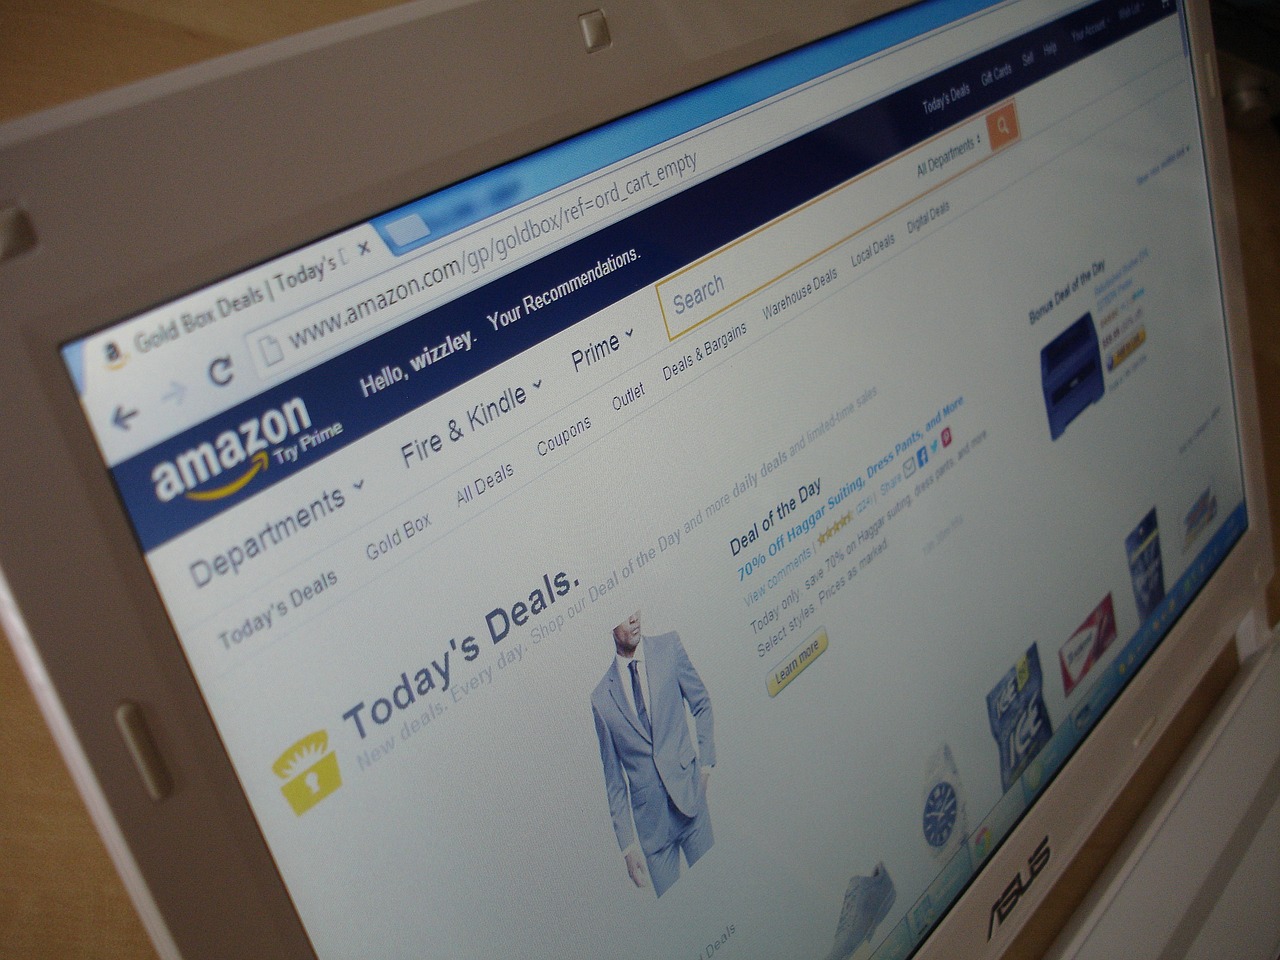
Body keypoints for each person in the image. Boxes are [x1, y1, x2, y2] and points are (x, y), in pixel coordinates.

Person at [590, 610, 715, 897]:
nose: (633, 618)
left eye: (634, 611)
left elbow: (701, 702)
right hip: (652, 830)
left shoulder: (669, 647)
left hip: (691, 800)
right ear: (608, 625)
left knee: (717, 890)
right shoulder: (600, 699)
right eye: (623, 615)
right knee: (679, 918)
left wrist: (706, 766)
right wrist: (627, 846)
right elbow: (614, 779)